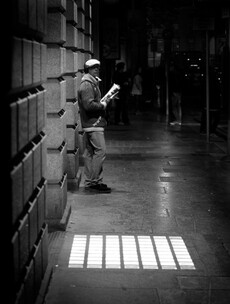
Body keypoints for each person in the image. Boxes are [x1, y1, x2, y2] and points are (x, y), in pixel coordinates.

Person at [78, 59, 112, 193]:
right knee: (100, 151)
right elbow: (89, 105)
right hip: (93, 123)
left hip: (92, 123)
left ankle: (92, 181)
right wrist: (103, 104)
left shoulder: (92, 82)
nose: (96, 69)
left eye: (98, 67)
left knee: (91, 153)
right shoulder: (87, 84)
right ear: (88, 70)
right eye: (93, 68)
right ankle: (94, 182)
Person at [200, 67, 221, 134]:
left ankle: (205, 130)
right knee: (214, 117)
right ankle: (210, 130)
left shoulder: (206, 81)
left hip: (208, 102)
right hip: (213, 103)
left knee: (207, 117)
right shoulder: (214, 83)